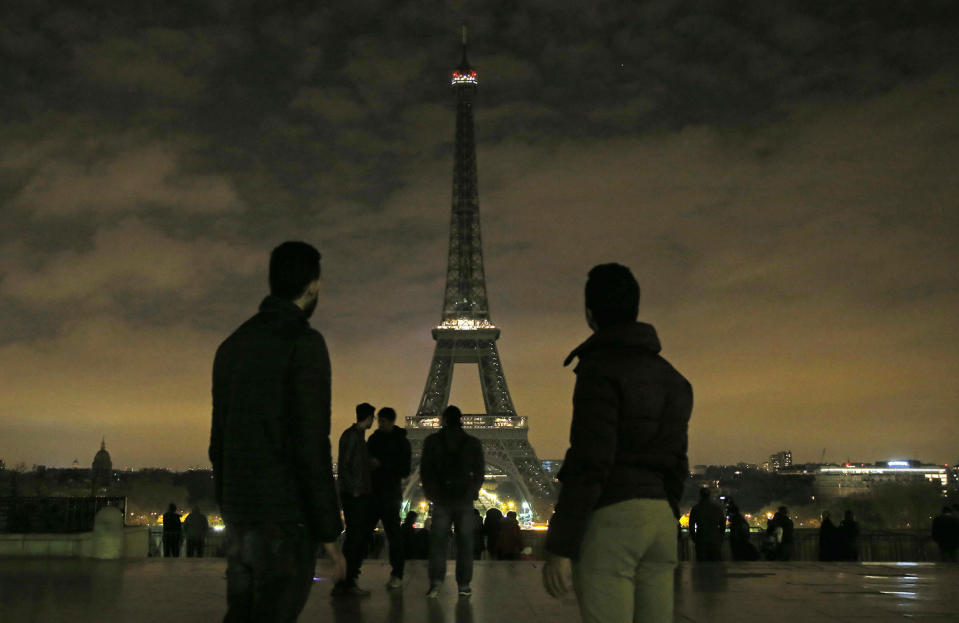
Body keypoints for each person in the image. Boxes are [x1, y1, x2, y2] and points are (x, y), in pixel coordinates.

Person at [543, 263, 692, 623]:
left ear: (590, 314)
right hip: (659, 522)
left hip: (613, 519)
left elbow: (590, 460)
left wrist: (561, 545)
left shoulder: (599, 370)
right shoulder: (673, 378)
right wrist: (665, 509)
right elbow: (678, 463)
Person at [210, 241, 346, 622]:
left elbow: (217, 441)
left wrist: (229, 506)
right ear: (313, 286)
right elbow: (311, 445)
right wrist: (328, 532)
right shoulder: (304, 343)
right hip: (285, 518)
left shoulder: (231, 347)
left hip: (240, 513)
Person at [420, 405, 485, 598]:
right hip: (464, 500)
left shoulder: (432, 442)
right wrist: (472, 492)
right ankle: (464, 584)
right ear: (461, 420)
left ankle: (436, 582)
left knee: (438, 542)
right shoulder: (472, 443)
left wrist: (431, 494)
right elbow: (480, 471)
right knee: (465, 543)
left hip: (441, 499)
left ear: (443, 419)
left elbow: (425, 470)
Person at [365, 406, 412, 589]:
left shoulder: (400, 442)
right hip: (377, 493)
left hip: (389, 494)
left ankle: (397, 573)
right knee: (371, 534)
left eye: (383, 421)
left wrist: (381, 465)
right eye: (379, 420)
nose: (380, 423)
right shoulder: (375, 439)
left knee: (392, 535)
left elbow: (405, 470)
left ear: (392, 421)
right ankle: (351, 572)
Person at [333, 403, 376, 597]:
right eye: (372, 418)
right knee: (354, 539)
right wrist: (355, 490)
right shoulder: (353, 437)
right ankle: (347, 582)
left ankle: (345, 581)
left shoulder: (356, 437)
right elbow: (345, 466)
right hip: (354, 495)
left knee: (355, 538)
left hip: (357, 493)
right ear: (368, 418)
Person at [689, 488, 725, 562]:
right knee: (715, 565)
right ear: (709, 496)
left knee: (702, 566)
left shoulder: (696, 509)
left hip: (701, 539)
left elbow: (691, 526)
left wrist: (695, 539)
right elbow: (723, 525)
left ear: (700, 495)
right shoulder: (717, 508)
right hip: (715, 540)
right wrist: (720, 537)